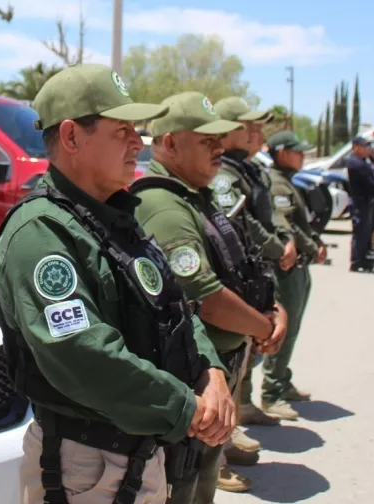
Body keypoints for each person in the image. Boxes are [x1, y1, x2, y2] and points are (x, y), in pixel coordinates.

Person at [0, 64, 236, 504]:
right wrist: (187, 408)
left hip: (141, 450)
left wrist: (210, 371)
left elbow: (174, 304)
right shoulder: (41, 232)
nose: (137, 143)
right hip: (86, 466)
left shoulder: (116, 217)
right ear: (71, 137)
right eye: (122, 130)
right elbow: (83, 355)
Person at [129, 92, 287, 504]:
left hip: (221, 365)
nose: (219, 148)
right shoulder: (165, 206)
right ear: (169, 143)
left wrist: (273, 309)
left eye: (219, 139)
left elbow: (242, 264)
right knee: (184, 485)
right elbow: (205, 297)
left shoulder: (196, 194)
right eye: (206, 141)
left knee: (203, 477)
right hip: (195, 376)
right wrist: (264, 327)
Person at [209, 97, 296, 432]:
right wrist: (277, 247)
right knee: (233, 351)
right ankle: (228, 429)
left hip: (254, 268)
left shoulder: (247, 168)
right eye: (248, 127)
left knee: (244, 352)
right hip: (236, 271)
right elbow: (240, 226)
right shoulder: (224, 174)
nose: (256, 134)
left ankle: (240, 410)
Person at [259, 131, 327, 421]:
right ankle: (271, 393)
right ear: (283, 153)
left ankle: (281, 381)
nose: (303, 156)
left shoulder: (286, 181)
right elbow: (287, 226)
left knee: (294, 327)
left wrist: (314, 243)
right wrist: (312, 246)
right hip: (287, 269)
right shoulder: (278, 184)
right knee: (286, 329)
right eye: (298, 152)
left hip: (298, 266)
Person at [346, 136, 374, 272]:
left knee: (365, 231)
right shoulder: (355, 162)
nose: (366, 149)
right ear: (355, 147)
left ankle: (362, 257)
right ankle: (356, 261)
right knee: (360, 231)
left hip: (366, 201)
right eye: (363, 146)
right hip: (359, 201)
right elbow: (368, 181)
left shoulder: (362, 162)